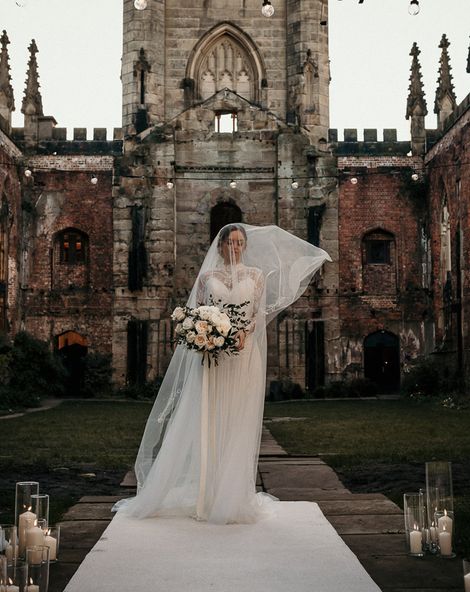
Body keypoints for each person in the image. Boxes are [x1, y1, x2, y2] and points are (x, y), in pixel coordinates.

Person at [114, 223, 331, 524]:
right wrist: (204, 335)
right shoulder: (207, 278)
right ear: (221, 246)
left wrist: (244, 332)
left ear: (245, 246)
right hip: (212, 355)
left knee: (238, 418)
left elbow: (258, 313)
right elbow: (196, 314)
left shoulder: (256, 276)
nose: (235, 247)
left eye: (240, 242)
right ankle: (207, 495)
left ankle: (233, 495)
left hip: (243, 355)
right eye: (230, 242)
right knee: (210, 418)